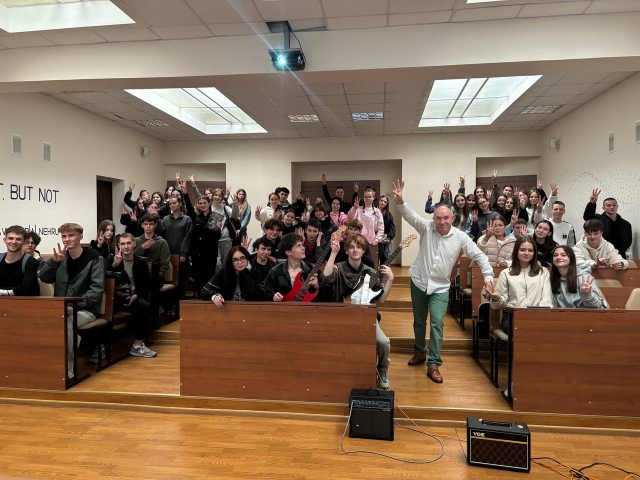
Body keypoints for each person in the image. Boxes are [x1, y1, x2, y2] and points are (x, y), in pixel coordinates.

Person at [392, 180, 494, 384]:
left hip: (440, 287)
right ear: (434, 218)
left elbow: (480, 256)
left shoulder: (461, 237)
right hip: (419, 281)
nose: (442, 221)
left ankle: (433, 363)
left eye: (446, 218)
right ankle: (419, 352)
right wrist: (400, 201)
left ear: (452, 218)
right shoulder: (426, 227)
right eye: (438, 218)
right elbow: (409, 215)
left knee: (437, 323)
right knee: (419, 320)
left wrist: (489, 276)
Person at [320, 233, 394, 389]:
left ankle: (382, 369)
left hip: (365, 317)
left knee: (383, 342)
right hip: (341, 316)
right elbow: (326, 278)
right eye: (351, 247)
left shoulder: (370, 272)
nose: (355, 250)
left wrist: (390, 280)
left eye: (359, 247)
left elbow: (381, 299)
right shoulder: (339, 267)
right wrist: (333, 253)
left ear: (363, 250)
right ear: (346, 250)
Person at [39, 223, 105, 379]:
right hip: (61, 308)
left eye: (71, 235)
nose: (67, 239)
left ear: (80, 237)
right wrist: (54, 262)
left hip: (85, 310)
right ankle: (46, 365)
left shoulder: (95, 258)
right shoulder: (61, 257)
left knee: (67, 322)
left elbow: (96, 291)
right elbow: (44, 277)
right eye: (64, 236)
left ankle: (68, 369)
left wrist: (74, 307)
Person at [486, 236, 554, 331]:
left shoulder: (543, 272)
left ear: (534, 253)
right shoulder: (506, 273)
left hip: (538, 315)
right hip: (513, 316)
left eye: (530, 250)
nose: (526, 253)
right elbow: (499, 304)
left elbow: (547, 299)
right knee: (522, 330)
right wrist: (496, 299)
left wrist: (538, 316)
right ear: (516, 251)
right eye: (522, 250)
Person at [106, 234, 158, 358]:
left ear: (134, 244)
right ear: (119, 246)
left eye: (128, 243)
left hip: (134, 297)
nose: (126, 246)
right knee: (101, 308)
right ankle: (100, 347)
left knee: (145, 307)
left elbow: (147, 285)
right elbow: (105, 280)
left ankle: (137, 345)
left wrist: (136, 295)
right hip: (115, 298)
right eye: (123, 244)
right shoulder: (111, 260)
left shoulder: (141, 262)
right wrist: (115, 265)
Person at [264, 233, 322, 301]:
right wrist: (273, 297)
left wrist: (317, 286)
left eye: (302, 245)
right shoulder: (275, 271)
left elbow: (323, 297)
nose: (303, 248)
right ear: (288, 252)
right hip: (283, 307)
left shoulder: (311, 269)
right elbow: (266, 294)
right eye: (298, 246)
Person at [200, 246, 266, 306]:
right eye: (235, 260)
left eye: (243, 258)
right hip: (228, 309)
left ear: (247, 259)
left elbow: (261, 295)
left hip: (250, 309)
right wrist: (214, 296)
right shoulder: (224, 273)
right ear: (231, 262)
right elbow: (204, 291)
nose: (240, 262)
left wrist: (245, 272)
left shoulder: (254, 272)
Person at [185, 191, 221, 294]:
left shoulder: (215, 216)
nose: (202, 205)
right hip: (197, 253)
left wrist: (218, 229)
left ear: (209, 203)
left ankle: (208, 295)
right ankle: (198, 296)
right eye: (200, 203)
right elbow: (189, 207)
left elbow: (216, 237)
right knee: (197, 277)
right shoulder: (195, 217)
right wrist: (185, 193)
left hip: (209, 254)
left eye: (204, 203)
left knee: (209, 276)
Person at [583, 188, 632, 259]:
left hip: (619, 255)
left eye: (614, 205)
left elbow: (628, 241)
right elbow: (587, 217)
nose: (611, 207)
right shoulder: (598, 219)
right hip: (601, 254)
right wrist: (592, 203)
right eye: (608, 205)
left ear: (617, 206)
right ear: (603, 207)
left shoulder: (626, 224)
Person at [160, 195, 193, 302]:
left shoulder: (187, 219)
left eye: (174, 203)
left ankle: (180, 304)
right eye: (170, 204)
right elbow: (161, 234)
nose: (172, 205)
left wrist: (183, 253)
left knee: (182, 280)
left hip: (181, 254)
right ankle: (171, 304)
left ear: (180, 204)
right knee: (170, 280)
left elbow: (187, 237)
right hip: (168, 254)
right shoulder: (165, 219)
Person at [0, 225, 40, 296]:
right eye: (10, 238)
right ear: (4, 240)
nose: (14, 242)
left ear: (24, 241)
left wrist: (2, 292)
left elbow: (26, 289)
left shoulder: (31, 262)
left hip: (25, 301)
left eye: (18, 239)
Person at [378, 195, 396, 264]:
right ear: (379, 201)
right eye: (381, 200)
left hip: (384, 241)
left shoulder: (389, 215)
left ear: (387, 204)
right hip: (373, 239)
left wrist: (387, 238)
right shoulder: (373, 212)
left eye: (385, 202)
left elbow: (392, 230)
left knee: (384, 261)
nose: (383, 203)